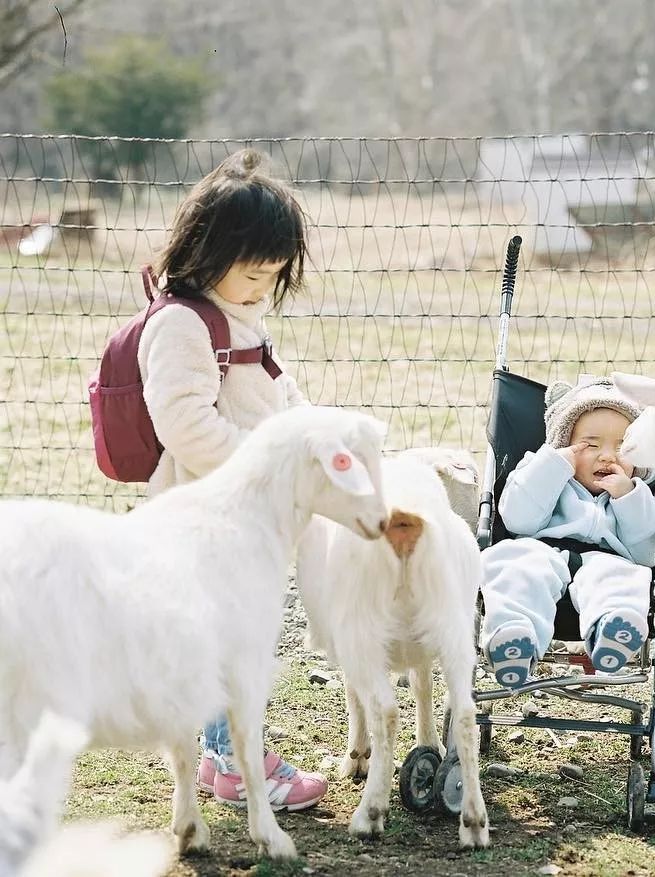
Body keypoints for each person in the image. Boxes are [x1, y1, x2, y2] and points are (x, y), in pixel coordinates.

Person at [138, 148, 327, 810]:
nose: (261, 288)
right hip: (206, 517)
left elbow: (277, 393)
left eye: (272, 276)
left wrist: (314, 436)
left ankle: (228, 757)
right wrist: (267, 464)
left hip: (246, 518)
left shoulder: (237, 315)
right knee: (226, 642)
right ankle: (237, 761)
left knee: (235, 638)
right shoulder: (181, 324)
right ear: (207, 254)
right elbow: (183, 423)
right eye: (252, 274)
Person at [480, 375, 655, 688]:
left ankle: (613, 629)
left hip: (605, 561)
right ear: (564, 443)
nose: (607, 455)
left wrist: (628, 497)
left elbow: (645, 553)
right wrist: (553, 465)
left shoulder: (636, 494)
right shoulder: (543, 471)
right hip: (541, 550)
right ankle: (514, 637)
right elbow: (517, 520)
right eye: (591, 444)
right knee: (515, 564)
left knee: (625, 577)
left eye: (623, 446)